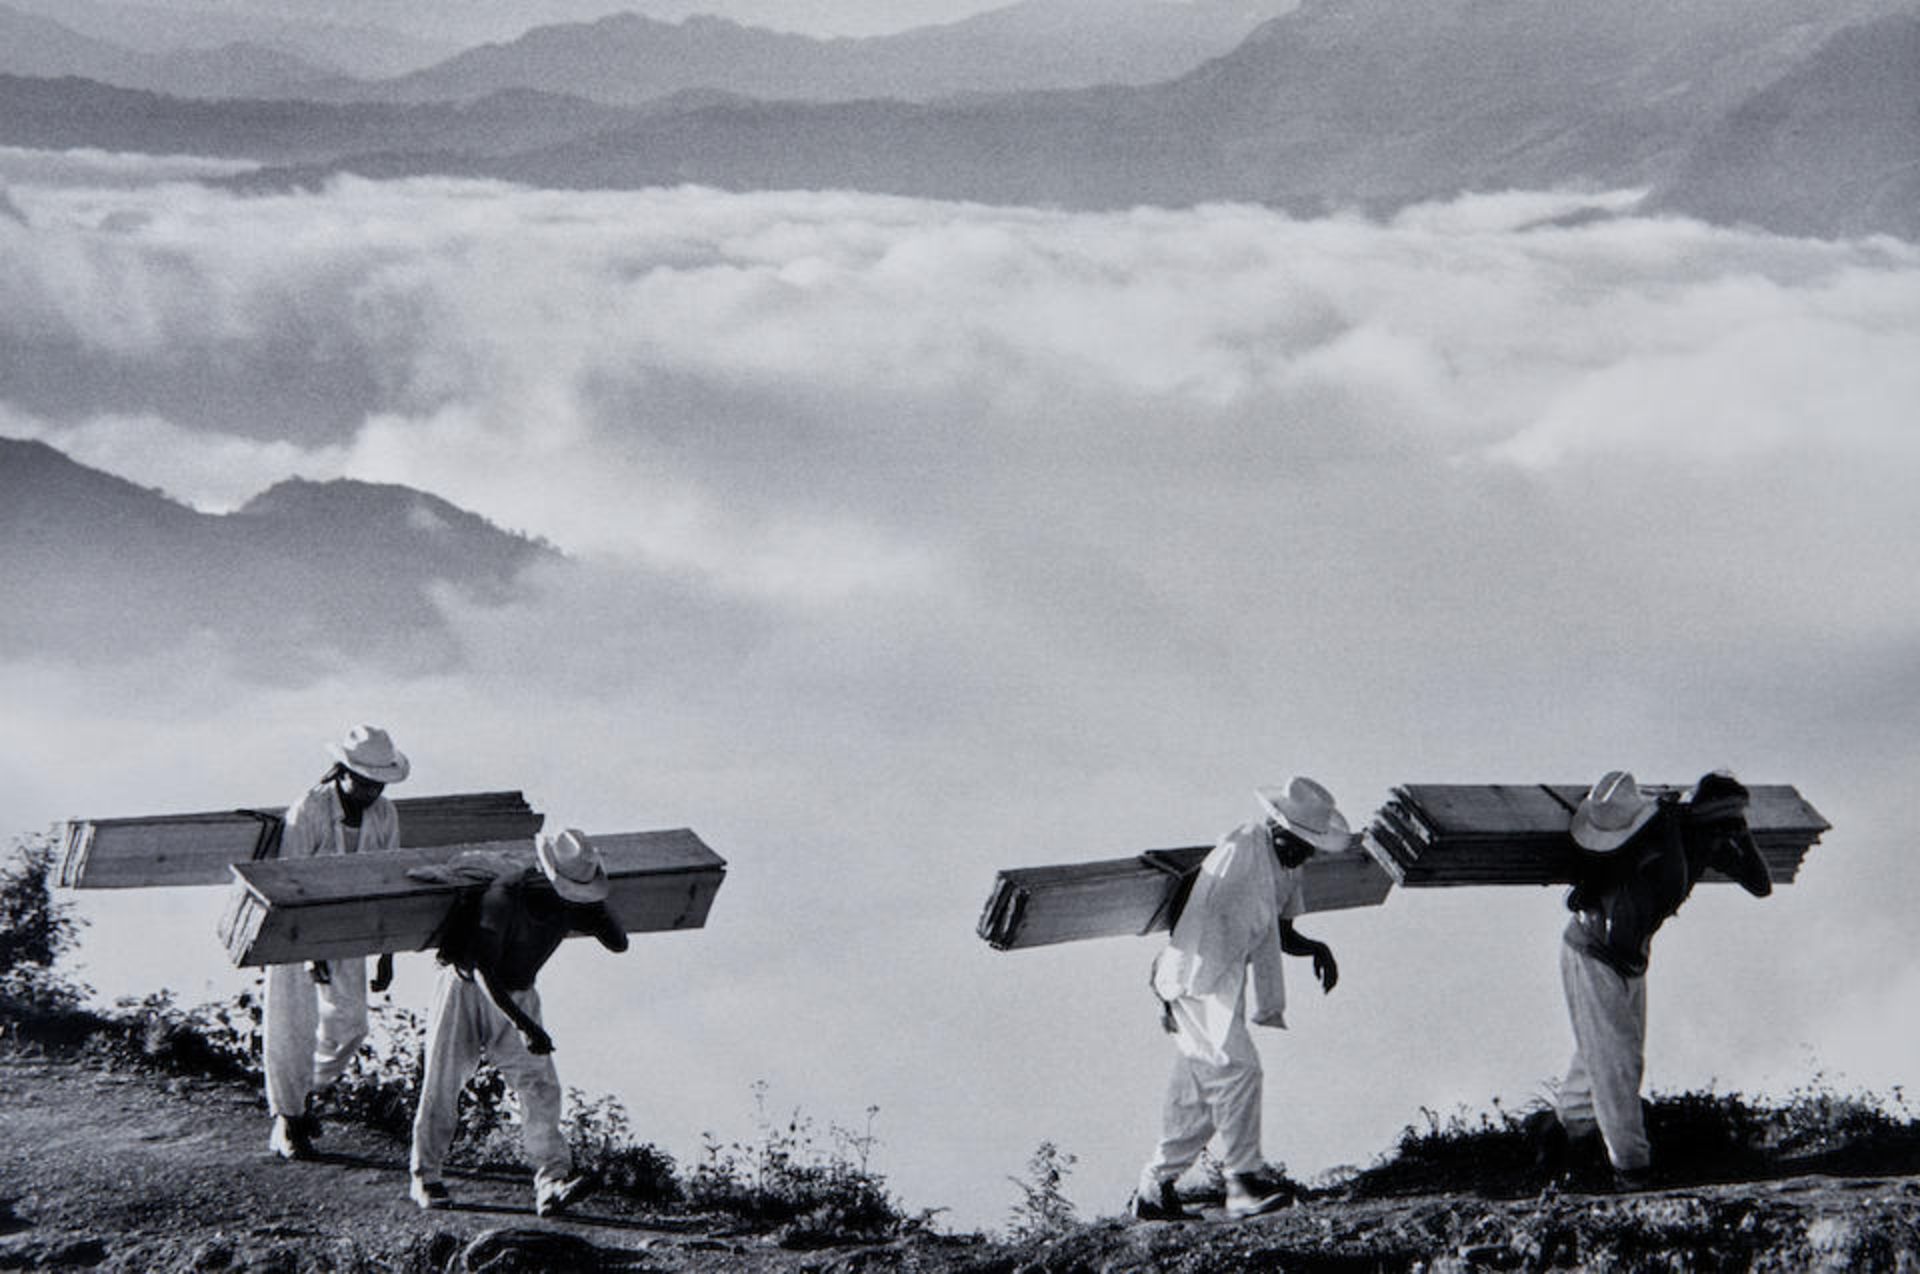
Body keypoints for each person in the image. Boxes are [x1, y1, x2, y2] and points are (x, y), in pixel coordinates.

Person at [1536, 769, 1773, 1189]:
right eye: (1721, 825)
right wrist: (1676, 829)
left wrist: (1742, 835)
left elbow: (1760, 885)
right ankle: (1631, 1168)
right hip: (1593, 953)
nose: (1723, 835)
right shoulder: (1659, 838)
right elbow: (1662, 883)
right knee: (1618, 1064)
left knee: (1603, 1055)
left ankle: (1560, 1134)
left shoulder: (1699, 839)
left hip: (1628, 958)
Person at [1131, 776, 1348, 1222]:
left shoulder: (1290, 865)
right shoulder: (1242, 845)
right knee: (1240, 1071)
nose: (1305, 853)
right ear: (1279, 829)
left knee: (1203, 1092)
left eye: (1311, 846)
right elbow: (1190, 895)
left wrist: (1317, 949)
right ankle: (1243, 1184)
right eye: (1300, 843)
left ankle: (1155, 1189)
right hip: (1195, 976)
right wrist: (1165, 977)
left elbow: (1282, 929)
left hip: (1227, 980)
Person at [406, 828, 628, 1216]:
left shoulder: (574, 901)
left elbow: (619, 943)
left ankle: (552, 1181)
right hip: (467, 989)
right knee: (443, 1081)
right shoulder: (505, 896)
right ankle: (426, 1176)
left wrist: (595, 909)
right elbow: (483, 970)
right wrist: (525, 1026)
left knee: (541, 1087)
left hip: (521, 991)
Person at [263, 724, 408, 1160]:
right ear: (342, 772)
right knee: (292, 1022)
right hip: (295, 926)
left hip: (351, 924)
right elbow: (293, 878)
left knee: (351, 1023)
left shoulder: (384, 815)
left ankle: (307, 1097)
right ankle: (288, 1121)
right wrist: (307, 953)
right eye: (363, 781)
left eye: (377, 783)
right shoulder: (309, 808)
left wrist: (388, 952)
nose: (370, 792)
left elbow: (390, 879)